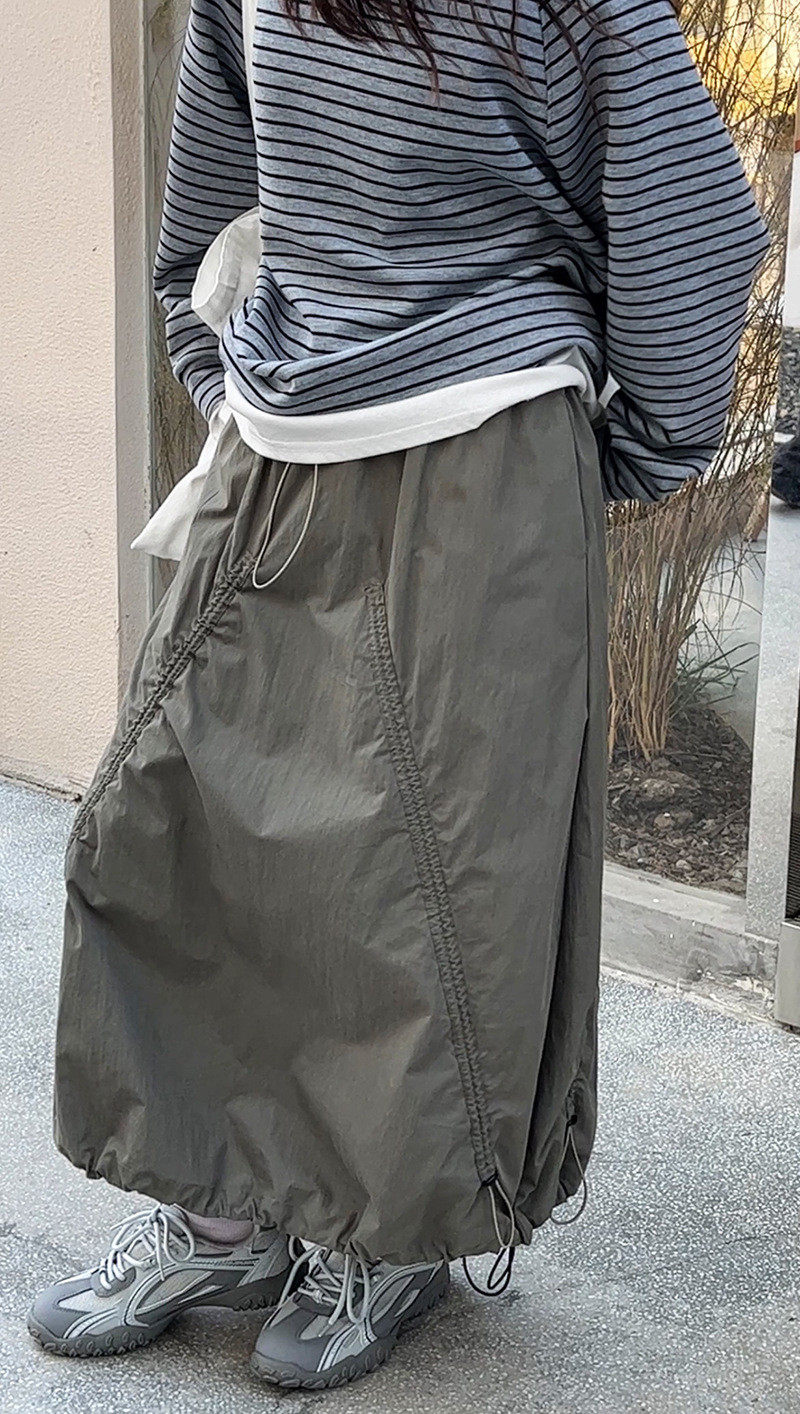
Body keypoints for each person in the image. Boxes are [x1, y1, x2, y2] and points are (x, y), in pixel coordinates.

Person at [29, 0, 767, 1389]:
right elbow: (204, 210)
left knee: (421, 888)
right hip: (283, 437)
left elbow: (695, 222)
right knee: (178, 825)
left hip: (481, 451)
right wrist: (221, 376)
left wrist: (616, 448)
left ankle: (389, 1233)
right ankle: (223, 1214)